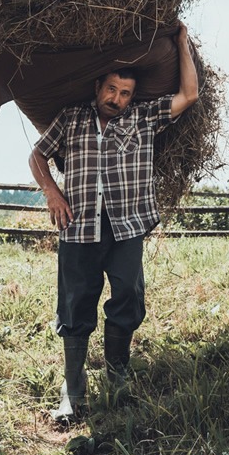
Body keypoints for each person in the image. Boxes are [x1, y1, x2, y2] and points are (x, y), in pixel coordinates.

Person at [28, 23, 199, 422]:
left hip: (126, 226)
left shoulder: (144, 117)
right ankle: (72, 394)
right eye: (111, 90)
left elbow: (189, 95)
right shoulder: (70, 119)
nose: (116, 99)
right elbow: (37, 155)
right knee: (74, 306)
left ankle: (118, 380)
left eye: (124, 94)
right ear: (97, 87)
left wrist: (182, 43)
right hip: (79, 226)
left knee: (127, 298)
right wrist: (52, 192)